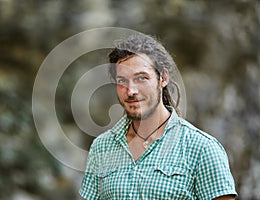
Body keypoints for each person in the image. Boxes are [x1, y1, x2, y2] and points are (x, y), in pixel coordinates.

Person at [79, 34, 237, 199]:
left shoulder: (202, 149)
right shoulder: (102, 147)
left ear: (163, 78)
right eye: (122, 81)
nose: (131, 90)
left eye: (141, 78)